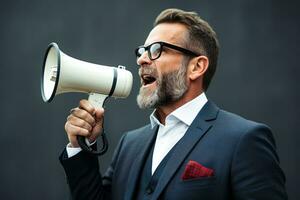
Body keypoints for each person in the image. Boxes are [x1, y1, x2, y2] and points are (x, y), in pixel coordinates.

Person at [59, 8, 288, 200]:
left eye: (157, 50)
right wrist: (80, 146)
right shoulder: (130, 144)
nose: (141, 59)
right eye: (142, 51)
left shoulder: (243, 140)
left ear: (196, 67)